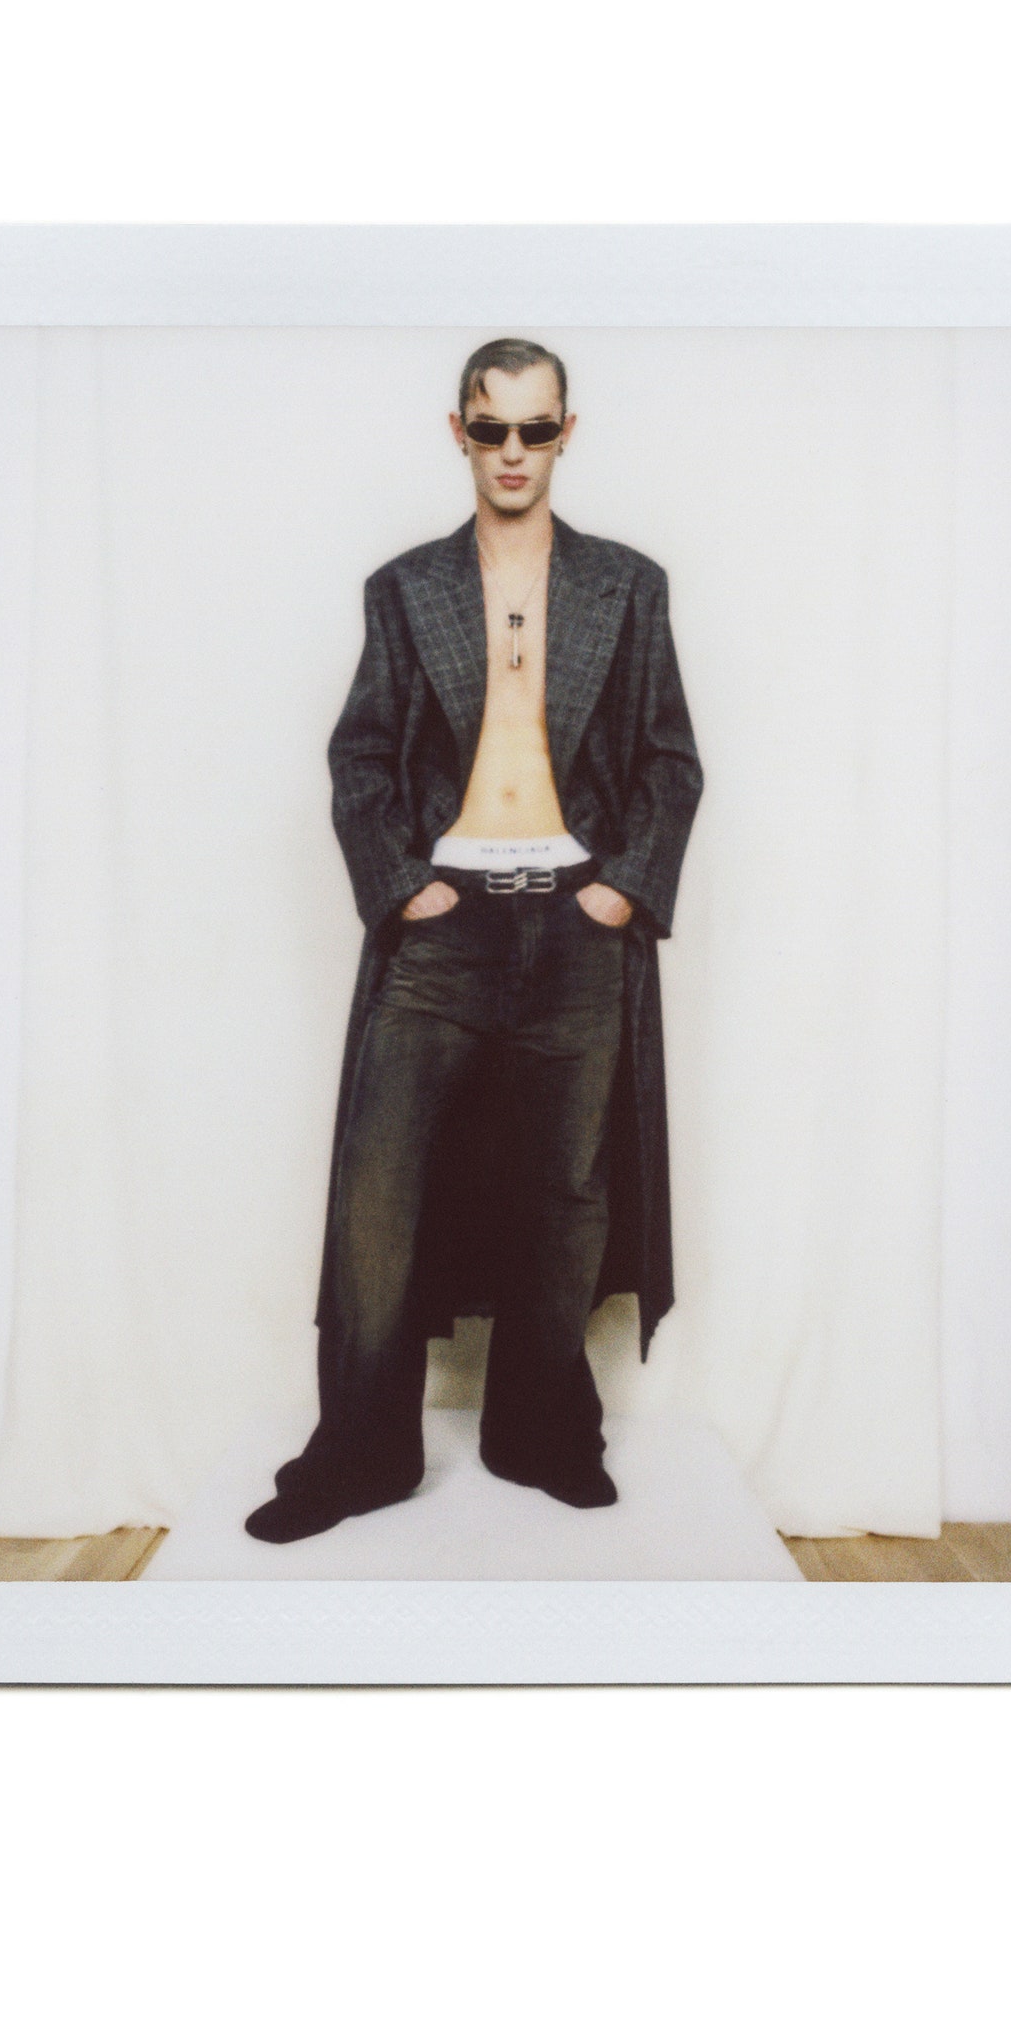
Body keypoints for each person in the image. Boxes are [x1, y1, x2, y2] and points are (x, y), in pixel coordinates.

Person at [244, 339, 704, 1544]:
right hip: (444, 925)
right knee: (379, 1193)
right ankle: (362, 1452)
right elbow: (359, 757)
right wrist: (401, 888)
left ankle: (540, 1430)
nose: (512, 452)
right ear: (458, 431)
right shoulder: (406, 588)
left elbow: (671, 763)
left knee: (567, 1196)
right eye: (490, 429)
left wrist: (622, 893)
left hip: (577, 917)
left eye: (535, 430)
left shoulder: (628, 586)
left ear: (566, 434)